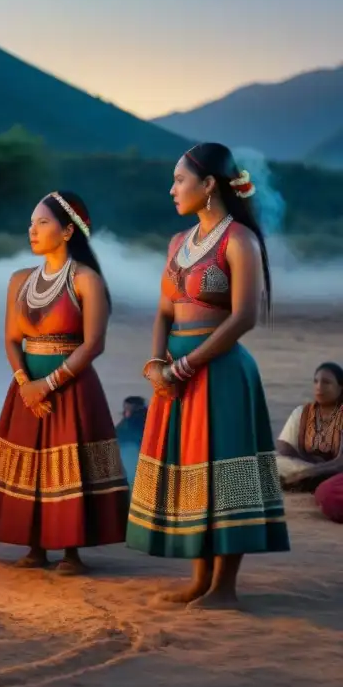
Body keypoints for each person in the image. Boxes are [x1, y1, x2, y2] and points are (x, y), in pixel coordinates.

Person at [128, 142, 289, 609]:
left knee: (226, 471)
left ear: (209, 185)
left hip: (219, 372)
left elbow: (243, 317)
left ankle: (225, 586)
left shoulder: (239, 240)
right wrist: (158, 365)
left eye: (180, 179)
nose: (173, 188)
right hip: (175, 377)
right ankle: (200, 580)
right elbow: (163, 311)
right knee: (191, 471)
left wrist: (184, 365)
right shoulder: (178, 244)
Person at [0, 191, 128, 574]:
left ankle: (72, 550)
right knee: (32, 462)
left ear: (68, 230)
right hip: (26, 389)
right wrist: (26, 382)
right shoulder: (19, 280)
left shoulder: (86, 281)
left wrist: (48, 384)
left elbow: (94, 344)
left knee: (69, 461)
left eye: (42, 222)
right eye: (31, 223)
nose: (33, 230)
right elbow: (11, 338)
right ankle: (35, 546)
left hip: (72, 388)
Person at [275, 362, 343, 491]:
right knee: (269, 461)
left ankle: (304, 481)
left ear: (340, 388)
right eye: (316, 382)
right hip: (304, 467)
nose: (319, 387)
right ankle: (305, 481)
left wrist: (311, 472)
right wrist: (306, 468)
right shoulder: (301, 412)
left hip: (335, 470)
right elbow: (283, 447)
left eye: (326, 382)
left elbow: (341, 463)